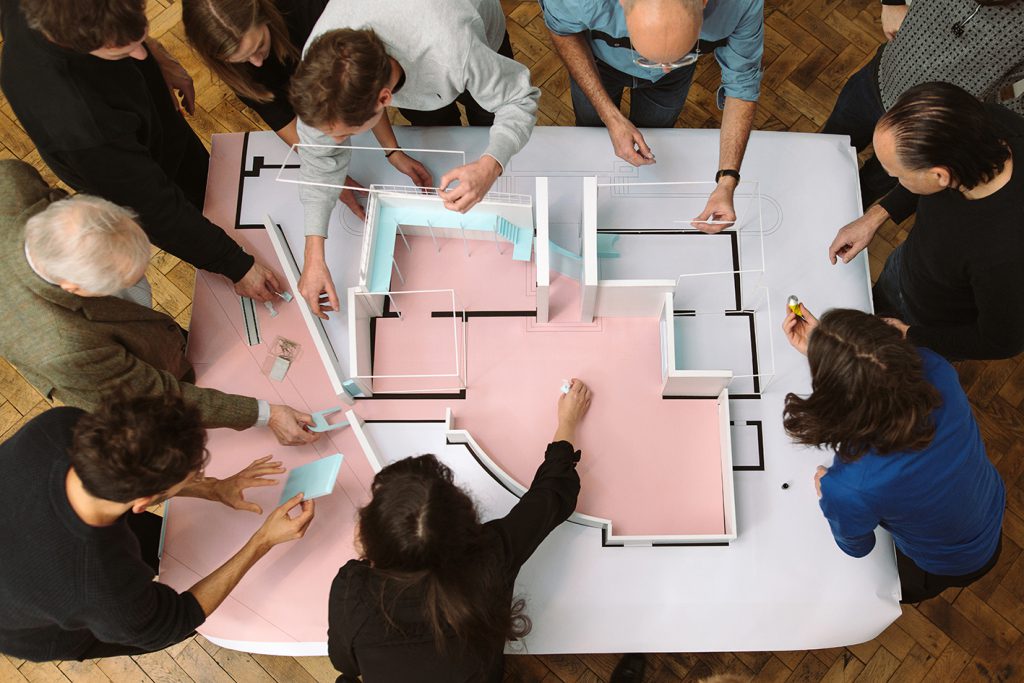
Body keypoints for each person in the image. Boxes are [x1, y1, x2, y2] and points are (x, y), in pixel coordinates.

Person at [0, 160, 319, 445]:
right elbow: (157, 396)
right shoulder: (66, 349)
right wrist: (264, 414)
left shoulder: (11, 180)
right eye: (124, 283)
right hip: (97, 373)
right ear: (73, 287)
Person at [0, 0, 283, 302]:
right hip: (126, 167)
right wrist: (236, 266)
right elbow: (154, 208)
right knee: (195, 205)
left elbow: (130, 38)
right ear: (78, 42)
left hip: (142, 121)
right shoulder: (79, 123)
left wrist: (156, 55)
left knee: (213, 184)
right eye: (122, 51)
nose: (140, 54)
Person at [0, 392, 316, 661]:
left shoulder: (60, 426)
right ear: (144, 501)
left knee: (152, 547)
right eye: (189, 479)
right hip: (28, 627)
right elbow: (177, 619)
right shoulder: (99, 586)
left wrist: (214, 488)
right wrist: (261, 541)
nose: (196, 480)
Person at [327, 379, 593, 682]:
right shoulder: (490, 556)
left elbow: (345, 665)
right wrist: (567, 424)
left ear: (368, 538)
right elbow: (553, 494)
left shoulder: (353, 591)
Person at [288, 0, 540, 318]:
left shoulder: (454, 48)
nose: (332, 143)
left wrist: (490, 166)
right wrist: (313, 254)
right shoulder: (320, 61)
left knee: (485, 115)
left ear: (383, 99)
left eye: (342, 136)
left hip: (468, 28)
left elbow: (518, 98)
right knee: (435, 117)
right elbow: (319, 158)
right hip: (416, 69)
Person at [782, 307, 1004, 604]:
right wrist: (831, 349)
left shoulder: (851, 486)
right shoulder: (935, 367)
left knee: (902, 589)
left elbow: (858, 546)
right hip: (989, 506)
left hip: (948, 563)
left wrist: (829, 493)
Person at [828, 82, 1024, 360]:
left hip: (931, 324)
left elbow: (1001, 342)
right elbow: (919, 181)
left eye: (899, 176)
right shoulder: (980, 122)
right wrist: (873, 217)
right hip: (907, 269)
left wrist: (910, 336)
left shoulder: (1005, 255)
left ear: (940, 176)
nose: (897, 181)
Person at [539, 0, 764, 232]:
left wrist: (727, 180)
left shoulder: (741, 4)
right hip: (598, 64)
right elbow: (563, 32)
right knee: (591, 133)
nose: (662, 69)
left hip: (672, 85)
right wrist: (610, 116)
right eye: (648, 57)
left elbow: (743, 84)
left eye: (682, 55)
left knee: (657, 133)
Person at [822, 0, 1024, 208]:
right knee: (825, 150)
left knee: (869, 187)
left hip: (926, 136)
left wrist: (982, 117)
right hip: (879, 81)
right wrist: (891, 3)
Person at [181, 0, 365, 219]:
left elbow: (363, 66)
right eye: (241, 59)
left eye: (259, 46)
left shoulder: (308, 11)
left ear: (264, 13)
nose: (256, 62)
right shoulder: (228, 48)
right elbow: (279, 115)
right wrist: (329, 173)